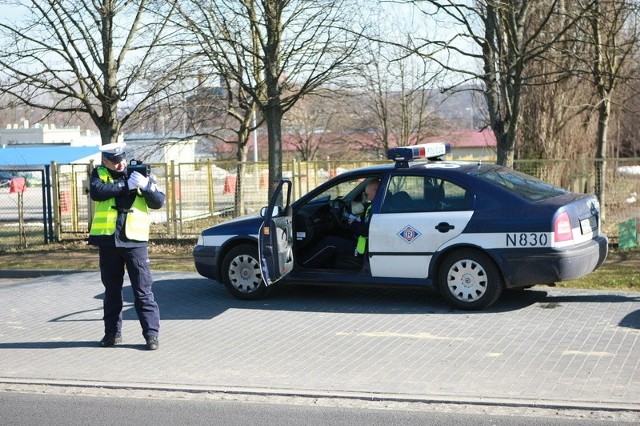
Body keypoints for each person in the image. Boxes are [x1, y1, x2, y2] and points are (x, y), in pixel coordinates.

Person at [88, 142, 165, 350]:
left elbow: (158, 201)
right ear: (105, 161)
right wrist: (126, 186)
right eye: (114, 161)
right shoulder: (99, 174)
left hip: (134, 242)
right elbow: (97, 192)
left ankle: (151, 336)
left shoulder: (139, 172)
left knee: (143, 292)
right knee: (112, 292)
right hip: (109, 241)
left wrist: (147, 186)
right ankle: (112, 334)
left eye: (121, 159)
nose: (120, 164)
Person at [302, 179, 380, 268]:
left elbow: (367, 230)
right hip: (366, 243)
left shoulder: (378, 206)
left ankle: (303, 265)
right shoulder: (380, 204)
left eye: (367, 194)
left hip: (364, 248)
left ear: (375, 191)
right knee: (339, 234)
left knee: (329, 242)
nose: (367, 198)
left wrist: (352, 224)